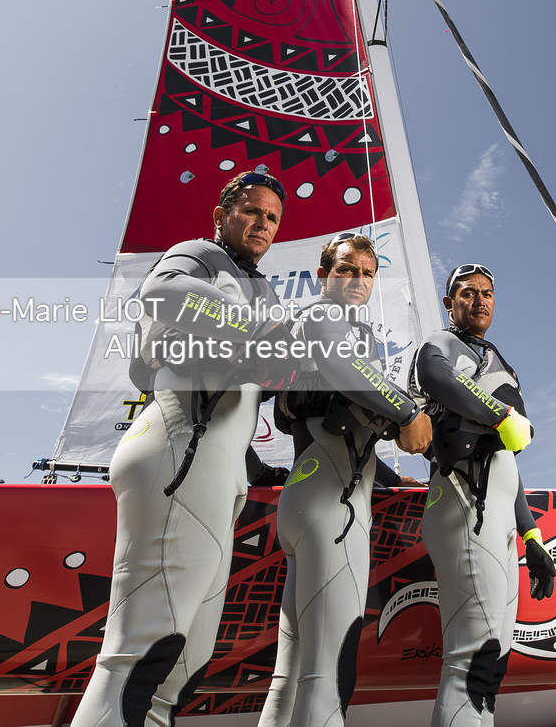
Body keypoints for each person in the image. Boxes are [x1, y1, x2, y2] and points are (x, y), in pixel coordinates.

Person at [73, 170, 294, 727]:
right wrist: (259, 332)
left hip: (216, 469)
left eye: (272, 217)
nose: (262, 223)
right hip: (177, 449)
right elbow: (162, 293)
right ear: (221, 216)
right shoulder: (197, 254)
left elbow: (242, 396)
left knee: (183, 664)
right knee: (140, 655)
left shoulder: (261, 287)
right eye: (251, 210)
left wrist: (257, 470)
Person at [258, 235, 433, 727]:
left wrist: (396, 480)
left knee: (291, 676)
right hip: (331, 508)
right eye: (346, 270)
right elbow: (344, 369)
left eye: (368, 272)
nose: (358, 280)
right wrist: (407, 412)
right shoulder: (323, 319)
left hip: (312, 498)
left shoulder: (344, 332)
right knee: (330, 669)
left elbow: (350, 426)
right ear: (323, 275)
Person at [413, 264, 556, 727]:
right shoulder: (442, 344)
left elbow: (507, 464)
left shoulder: (497, 358)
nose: (479, 300)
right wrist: (500, 417)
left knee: (493, 661)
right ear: (449, 301)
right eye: (467, 292)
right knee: (474, 657)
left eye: (487, 293)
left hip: (495, 507)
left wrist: (532, 537)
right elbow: (435, 377)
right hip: (461, 497)